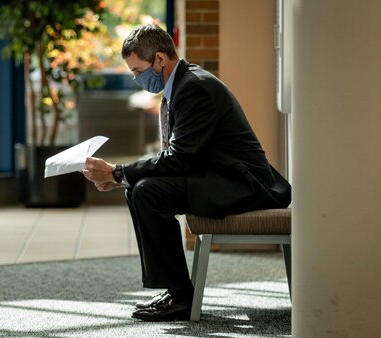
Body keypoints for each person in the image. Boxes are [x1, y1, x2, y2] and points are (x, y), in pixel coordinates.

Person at [82, 24, 291, 321]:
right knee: (138, 189)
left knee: (147, 192)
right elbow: (179, 158)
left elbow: (180, 159)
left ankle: (181, 296)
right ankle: (175, 291)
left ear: (159, 59)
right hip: (216, 175)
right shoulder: (181, 85)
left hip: (244, 185)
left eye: (138, 71)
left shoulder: (193, 88)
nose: (136, 79)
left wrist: (117, 172)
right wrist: (122, 178)